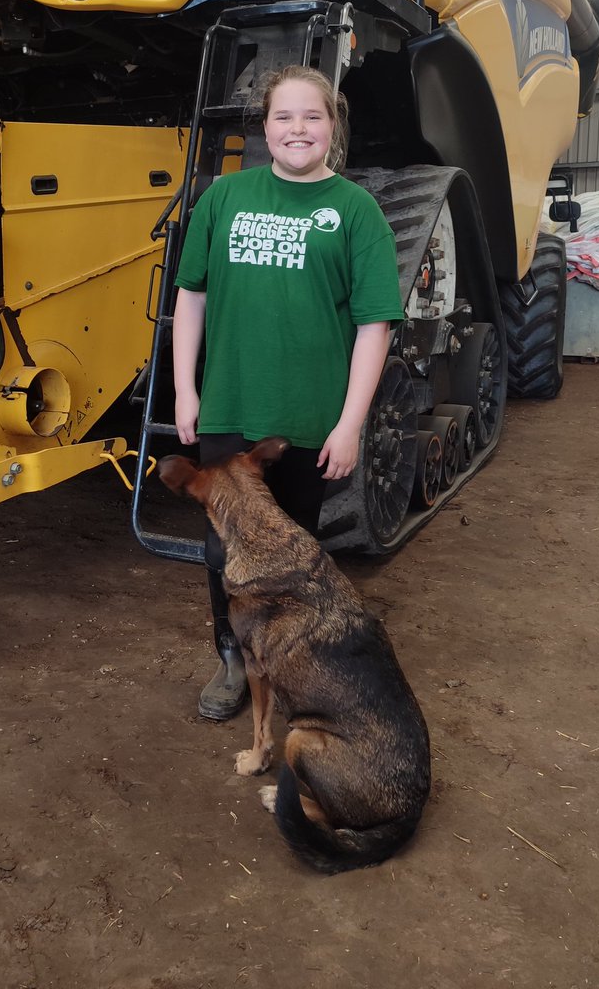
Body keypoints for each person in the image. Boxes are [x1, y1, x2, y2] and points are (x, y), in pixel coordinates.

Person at [172, 65, 404, 719]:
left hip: (307, 419)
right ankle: (232, 659)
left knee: (290, 553)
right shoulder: (224, 198)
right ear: (264, 128)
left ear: (333, 127)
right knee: (224, 548)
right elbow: (192, 297)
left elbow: (373, 325)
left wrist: (350, 423)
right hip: (229, 408)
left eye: (312, 116)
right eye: (283, 117)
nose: (297, 128)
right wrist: (186, 391)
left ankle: (284, 663)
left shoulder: (357, 212)